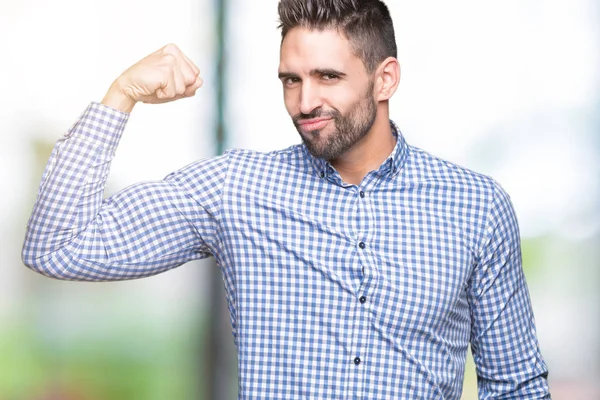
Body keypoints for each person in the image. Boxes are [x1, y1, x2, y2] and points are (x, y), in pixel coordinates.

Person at [22, 0, 551, 398]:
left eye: (328, 77)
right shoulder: (236, 190)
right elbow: (59, 246)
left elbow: (517, 385)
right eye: (290, 80)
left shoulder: (475, 207)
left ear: (385, 78)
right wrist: (122, 95)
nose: (305, 102)